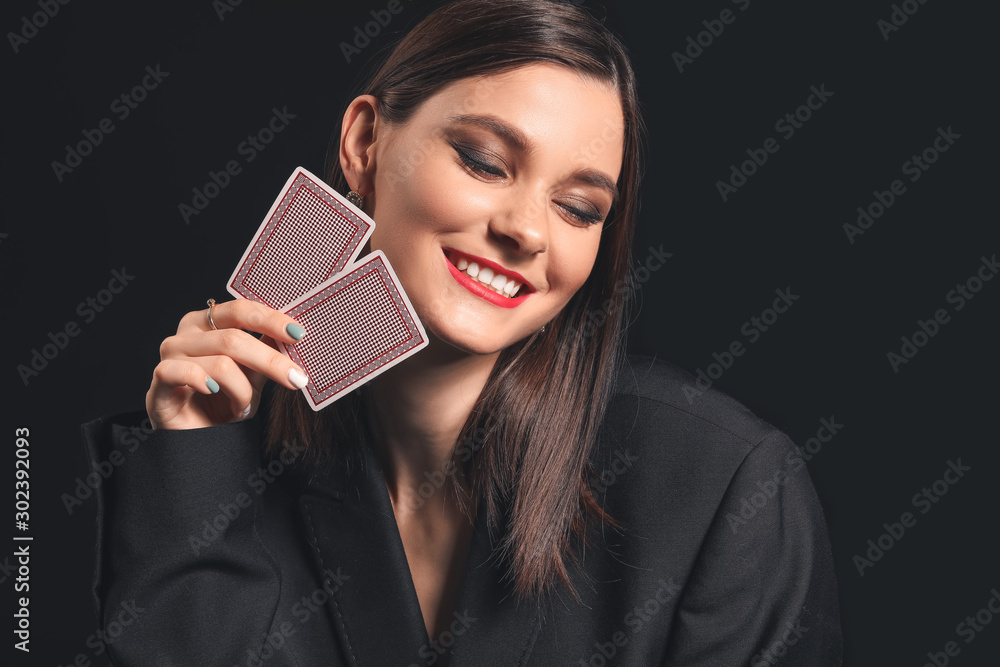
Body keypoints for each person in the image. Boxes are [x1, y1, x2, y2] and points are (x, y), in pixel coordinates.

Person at [81, 1, 843, 664]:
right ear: (365, 144)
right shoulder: (223, 461)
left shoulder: (726, 489)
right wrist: (193, 464)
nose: (526, 230)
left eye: (579, 208)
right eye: (484, 162)